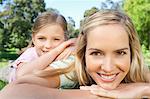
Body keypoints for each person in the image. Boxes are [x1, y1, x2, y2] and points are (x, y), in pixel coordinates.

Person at [0, 10, 150, 99]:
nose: (108, 67)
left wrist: (143, 89)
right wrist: (102, 94)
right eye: (96, 53)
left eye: (120, 52)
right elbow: (12, 92)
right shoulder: (74, 67)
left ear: (131, 53)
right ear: (83, 53)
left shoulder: (137, 69)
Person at [9, 11, 76, 83]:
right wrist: (56, 50)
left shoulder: (66, 51)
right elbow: (21, 75)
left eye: (56, 39)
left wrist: (73, 47)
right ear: (34, 39)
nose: (48, 45)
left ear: (65, 39)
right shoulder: (31, 53)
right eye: (41, 38)